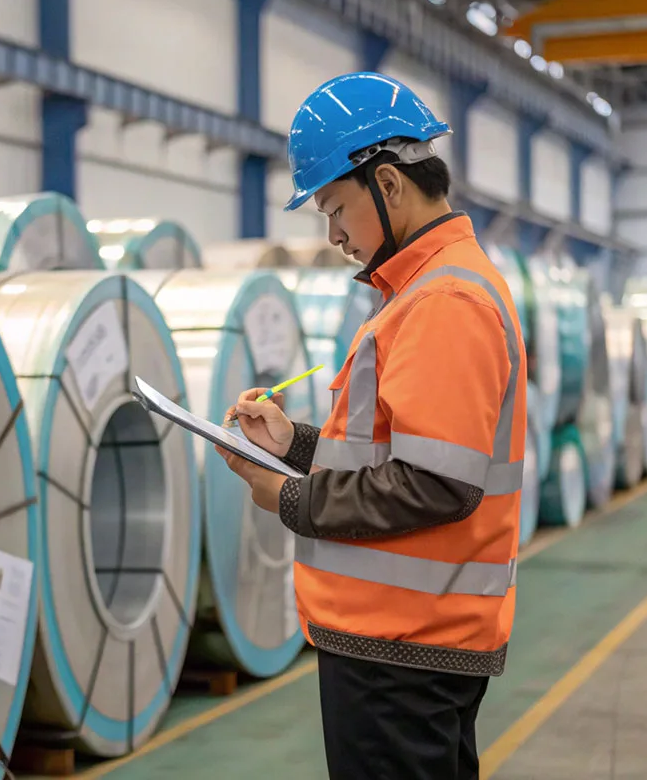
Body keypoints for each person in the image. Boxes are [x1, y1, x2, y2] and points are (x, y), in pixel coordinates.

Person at [215, 71, 528, 779]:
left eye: (335, 208)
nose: (332, 236)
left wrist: (287, 496)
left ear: (387, 184)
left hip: (404, 648)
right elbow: (390, 449)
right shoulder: (423, 289)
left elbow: (437, 485)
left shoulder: (446, 299)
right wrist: (291, 443)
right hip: (397, 639)